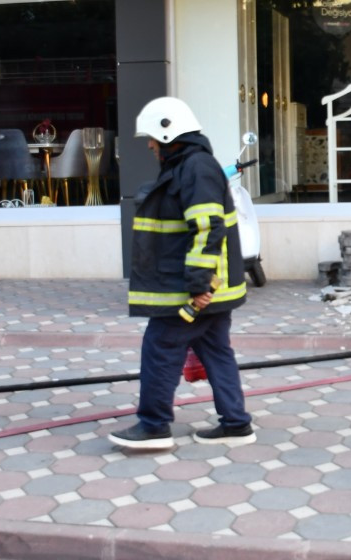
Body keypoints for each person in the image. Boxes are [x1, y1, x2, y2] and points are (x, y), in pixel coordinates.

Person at [111, 96, 255, 450]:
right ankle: (236, 424)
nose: (148, 145)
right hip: (208, 289)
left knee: (160, 349)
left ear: (168, 133)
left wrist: (197, 285)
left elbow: (207, 228)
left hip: (196, 290)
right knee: (216, 350)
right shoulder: (191, 166)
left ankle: (154, 426)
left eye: (152, 138)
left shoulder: (195, 168)